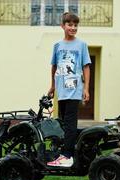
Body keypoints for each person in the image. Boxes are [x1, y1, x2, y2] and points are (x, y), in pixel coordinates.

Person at [47, 12, 91, 167]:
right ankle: (65, 152)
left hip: (74, 90)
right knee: (63, 123)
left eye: (75, 25)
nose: (73, 28)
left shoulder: (81, 45)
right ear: (62, 26)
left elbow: (86, 67)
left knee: (70, 122)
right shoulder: (57, 46)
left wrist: (86, 88)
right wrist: (52, 86)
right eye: (70, 25)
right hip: (61, 91)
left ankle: (67, 156)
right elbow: (54, 67)